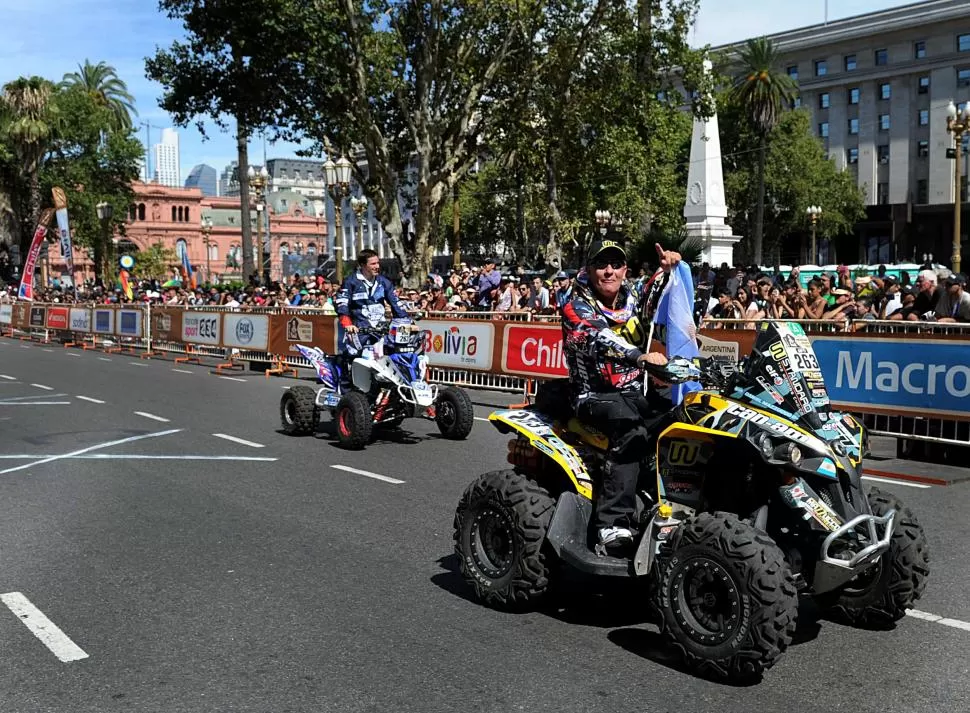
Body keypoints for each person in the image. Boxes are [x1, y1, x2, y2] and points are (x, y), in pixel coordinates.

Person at [561, 238, 682, 555]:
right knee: (631, 429)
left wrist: (674, 270)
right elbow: (597, 337)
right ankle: (612, 525)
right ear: (590, 270)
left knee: (684, 418)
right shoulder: (575, 305)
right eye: (602, 264)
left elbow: (666, 297)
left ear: (625, 269)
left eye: (616, 264)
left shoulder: (634, 299)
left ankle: (674, 508)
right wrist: (638, 357)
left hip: (634, 393)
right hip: (591, 397)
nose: (609, 271)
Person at [335, 249, 409, 360]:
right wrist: (347, 324)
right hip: (359, 330)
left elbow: (396, 304)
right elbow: (342, 304)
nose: (377, 266)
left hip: (381, 330)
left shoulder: (384, 282)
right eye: (373, 264)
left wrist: (405, 321)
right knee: (352, 357)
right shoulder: (350, 282)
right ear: (362, 265)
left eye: (378, 263)